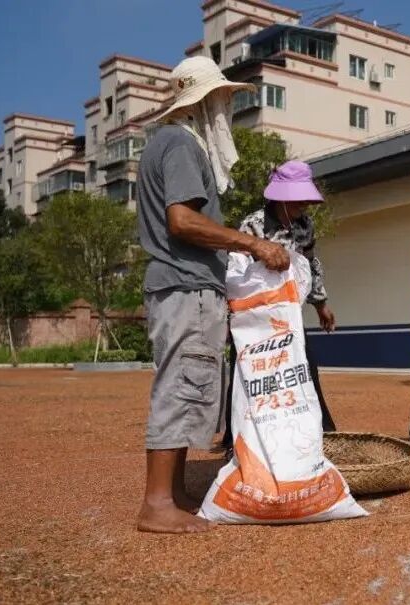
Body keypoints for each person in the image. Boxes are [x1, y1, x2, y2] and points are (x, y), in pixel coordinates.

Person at [135, 56, 290, 534]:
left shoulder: (173, 142)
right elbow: (181, 221)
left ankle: (174, 492)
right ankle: (157, 503)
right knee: (180, 386)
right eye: (221, 97)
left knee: (188, 382)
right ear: (203, 101)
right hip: (185, 285)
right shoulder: (181, 144)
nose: (225, 105)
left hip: (182, 285)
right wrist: (252, 242)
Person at [219, 160, 337, 456]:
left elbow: (311, 263)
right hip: (253, 315)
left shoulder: (304, 225)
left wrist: (321, 303)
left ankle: (321, 430)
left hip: (288, 314)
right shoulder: (252, 225)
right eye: (299, 199)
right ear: (282, 197)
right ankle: (235, 438)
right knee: (245, 372)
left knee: (304, 367)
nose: (305, 205)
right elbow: (235, 272)